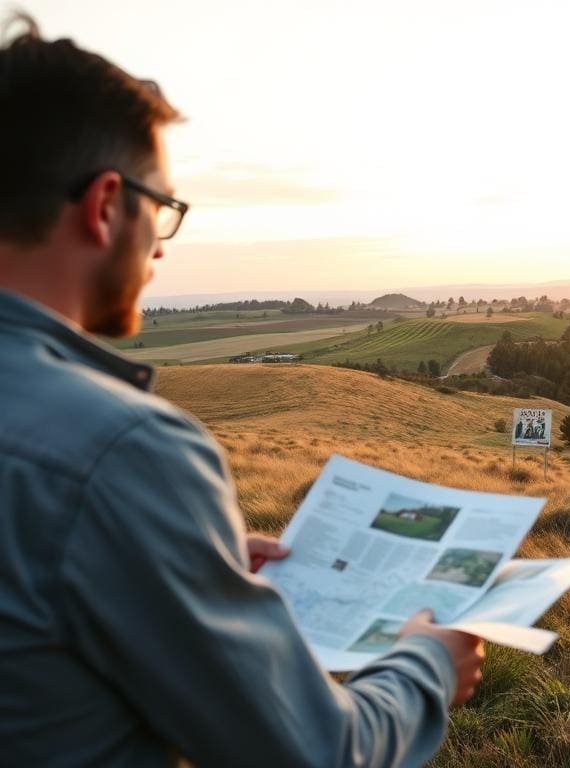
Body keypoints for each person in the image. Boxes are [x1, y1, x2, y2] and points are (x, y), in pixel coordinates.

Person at [0, 14, 484, 767]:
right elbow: (315, 753)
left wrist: (194, 562)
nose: (161, 241)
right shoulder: (122, 454)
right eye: (161, 207)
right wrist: (423, 665)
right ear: (103, 206)